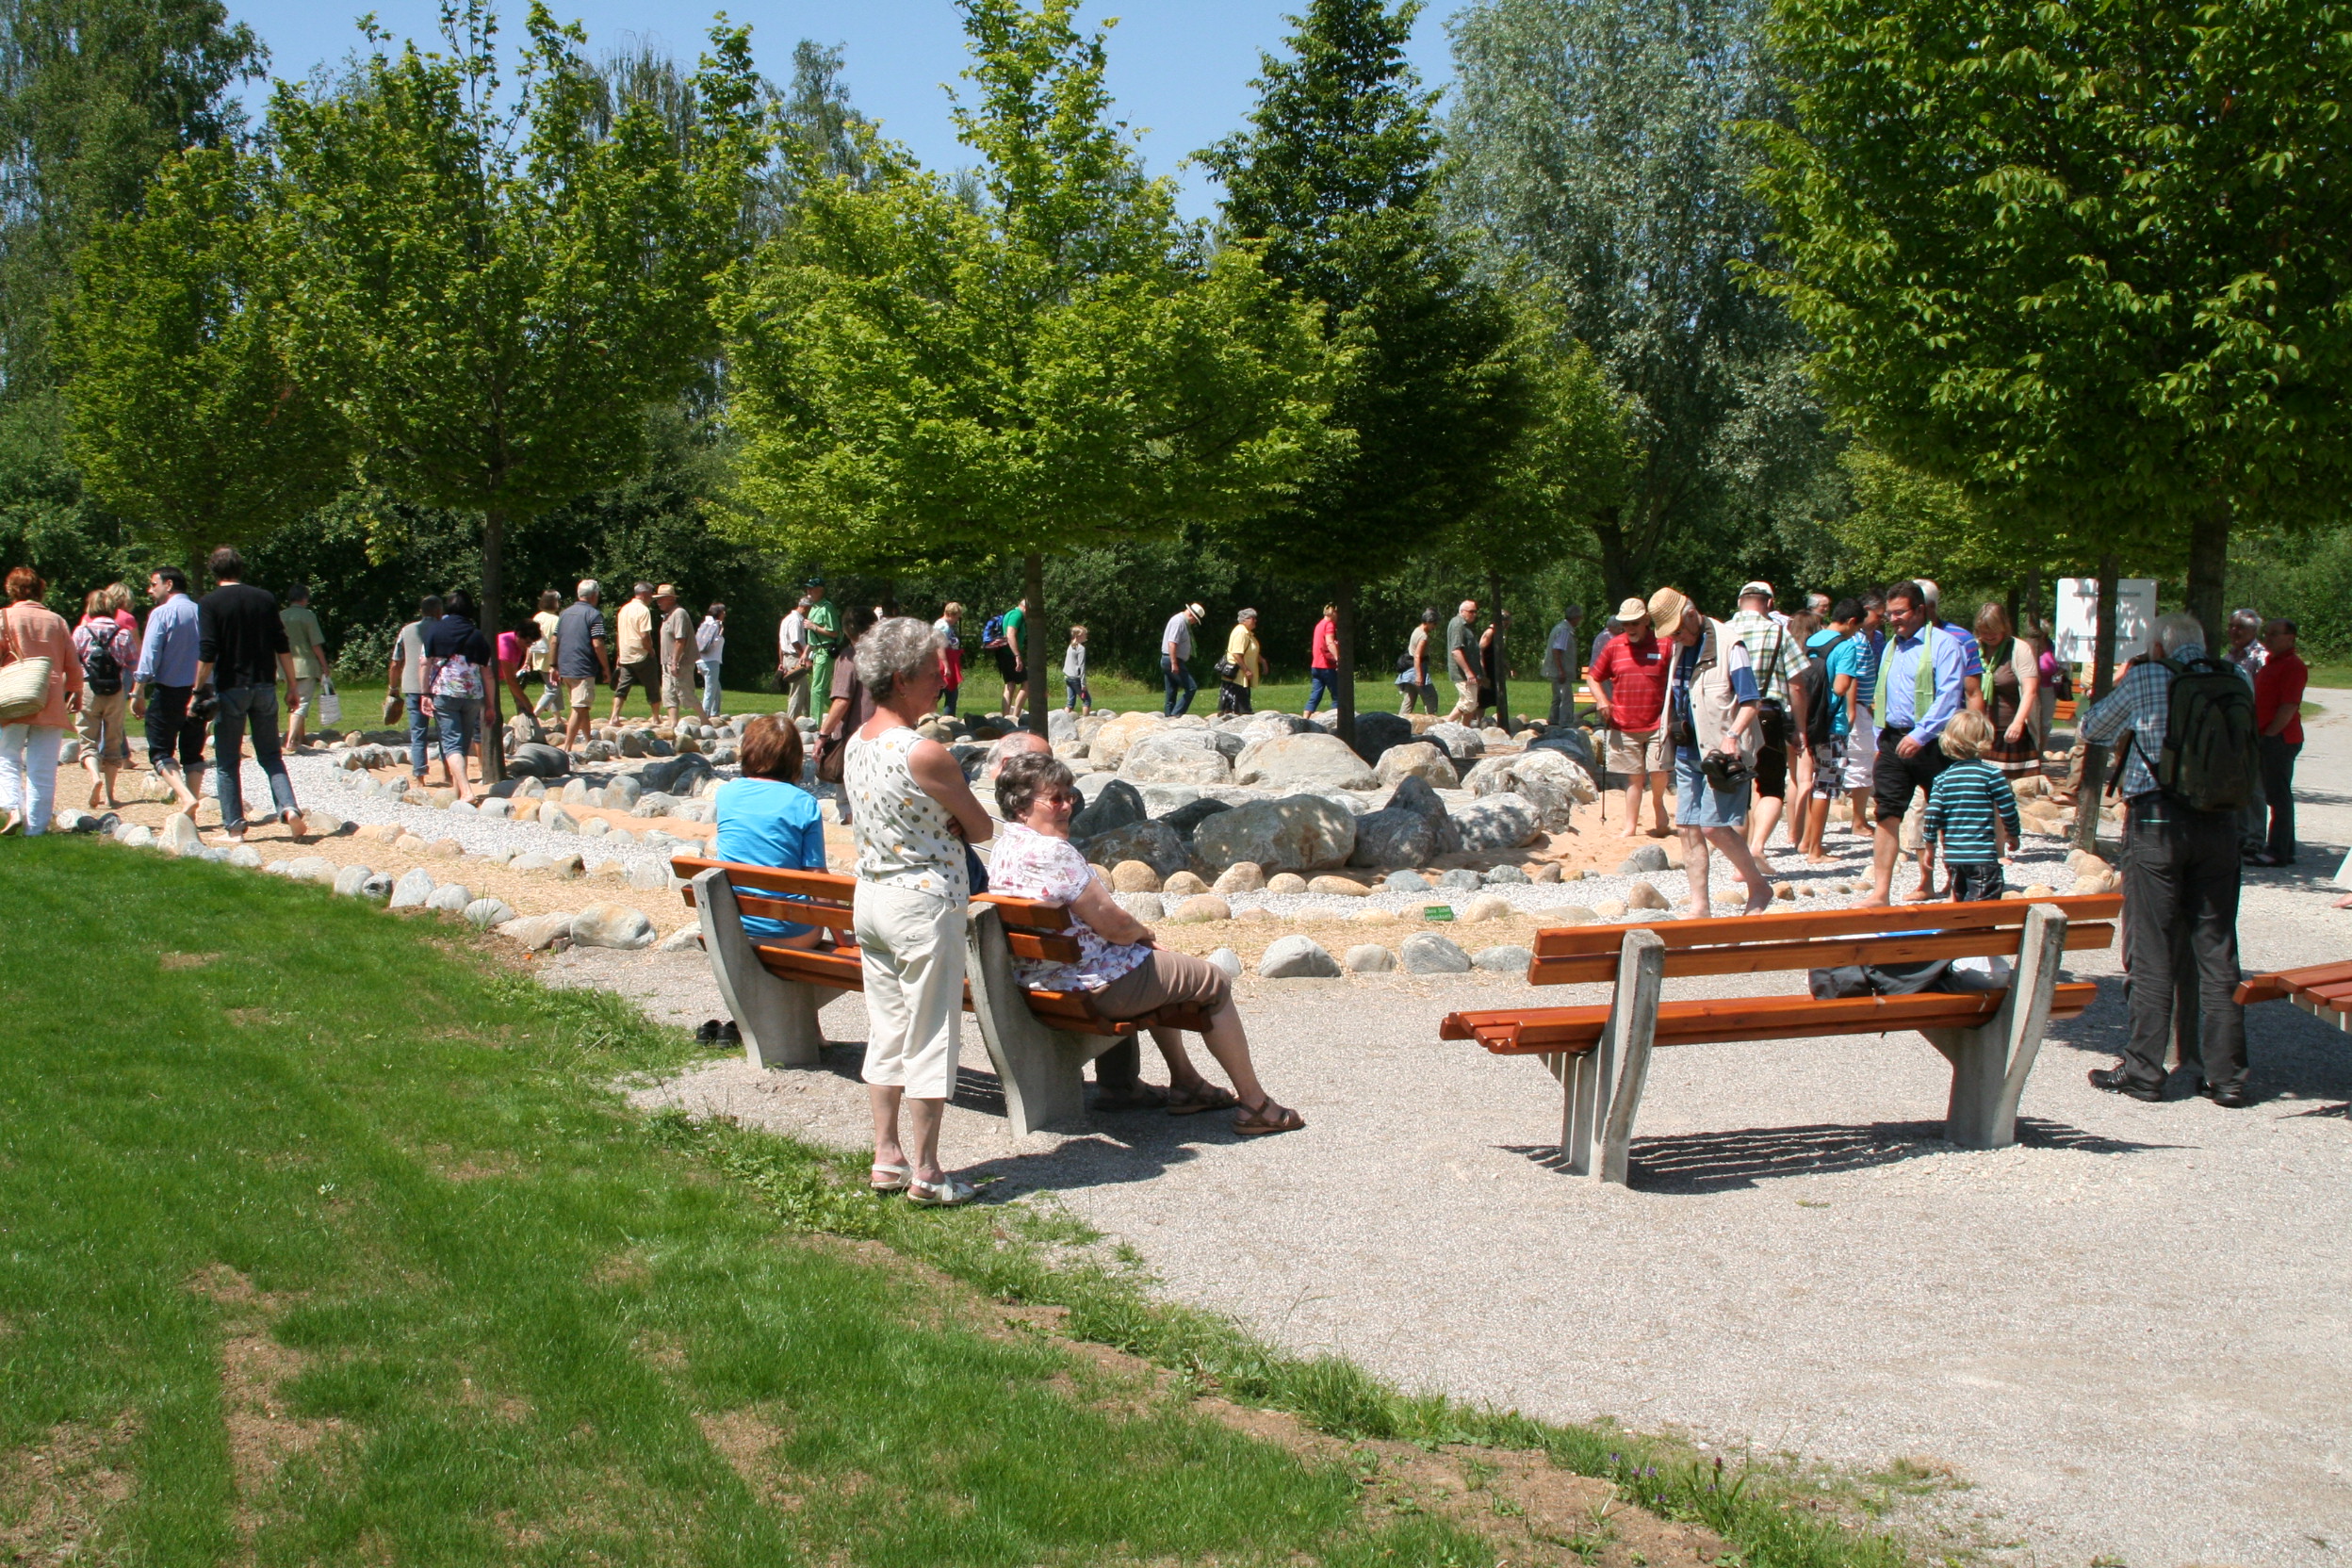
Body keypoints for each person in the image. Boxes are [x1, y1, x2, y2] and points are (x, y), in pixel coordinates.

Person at [988, 749, 1306, 1135]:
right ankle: (1256, 1106)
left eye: (1070, 795)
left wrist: (1134, 943)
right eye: (1055, 798)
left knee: (1149, 964)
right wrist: (1144, 933)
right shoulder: (1054, 851)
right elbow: (1114, 924)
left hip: (1043, 982)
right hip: (1089, 988)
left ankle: (1187, 1085)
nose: (1068, 805)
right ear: (1022, 806)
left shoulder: (1006, 846)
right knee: (1212, 981)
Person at [843, 615, 995, 1205]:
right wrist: (958, 822)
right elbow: (980, 828)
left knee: (886, 1029)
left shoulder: (858, 742)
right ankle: (928, 1172)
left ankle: (887, 1156)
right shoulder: (925, 753)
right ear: (903, 679)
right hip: (923, 903)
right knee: (931, 1032)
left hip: (872, 895)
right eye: (935, 673)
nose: (943, 681)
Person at [2080, 612, 2251, 1106]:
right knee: (2217, 948)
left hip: (2158, 822)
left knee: (2152, 945)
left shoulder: (2150, 675)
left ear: (2158, 647)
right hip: (2221, 822)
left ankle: (2144, 1070)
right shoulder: (2235, 677)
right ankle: (2227, 1077)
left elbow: (2092, 727)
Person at [1656, 587, 1773, 916]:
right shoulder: (1680, 645)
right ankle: (1700, 906)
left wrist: (1733, 735)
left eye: (1678, 630)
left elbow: (1751, 700)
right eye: (1670, 633)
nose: (1676, 638)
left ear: (1692, 615)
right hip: (1686, 750)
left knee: (1713, 826)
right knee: (1688, 828)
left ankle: (1758, 887)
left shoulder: (1729, 644)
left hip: (1722, 754)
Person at [1861, 580, 1968, 907]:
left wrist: (1919, 735)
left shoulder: (1946, 645)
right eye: (1889, 613)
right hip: (1894, 740)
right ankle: (1880, 893)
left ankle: (1955, 888)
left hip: (1934, 743)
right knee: (1886, 814)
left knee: (1948, 817)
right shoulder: (1892, 646)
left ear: (1920, 610)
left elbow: (1950, 696)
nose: (1893, 619)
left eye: (1900, 612)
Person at [192, 547, 304, 842]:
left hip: (231, 688)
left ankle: (234, 827)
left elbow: (207, 652)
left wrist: (197, 689)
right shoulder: (265, 598)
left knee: (228, 761)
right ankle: (289, 807)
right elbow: (282, 645)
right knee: (271, 755)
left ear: (213, 571)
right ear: (241, 568)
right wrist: (292, 686)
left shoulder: (209, 603)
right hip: (264, 685)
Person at [712, 714, 827, 948]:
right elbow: (816, 876)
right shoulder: (804, 803)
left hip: (734, 926)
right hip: (789, 931)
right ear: (793, 758)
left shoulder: (726, 795)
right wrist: (841, 936)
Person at [0, 567, 85, 836]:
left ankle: (12, 807)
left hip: (14, 697)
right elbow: (72, 662)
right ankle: (36, 828)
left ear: (12, 590)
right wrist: (76, 691)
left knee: (6, 757)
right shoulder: (56, 621)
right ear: (40, 589)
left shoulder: (4, 617)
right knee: (44, 767)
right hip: (50, 699)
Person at [1725, 581, 1805, 855]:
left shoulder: (1722, 632)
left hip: (1730, 718)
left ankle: (1740, 854)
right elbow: (1796, 684)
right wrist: (1800, 728)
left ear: (1739, 602)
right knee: (1771, 787)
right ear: (1770, 604)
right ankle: (1757, 845)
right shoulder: (1779, 633)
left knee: (1738, 786)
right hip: (1767, 714)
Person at [1588, 596, 1672, 839]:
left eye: (1635, 623)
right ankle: (1630, 826)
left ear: (1646, 620)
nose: (1630, 628)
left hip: (1658, 721)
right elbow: (1593, 677)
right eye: (1626, 624)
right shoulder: (1614, 645)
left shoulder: (1664, 644)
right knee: (1633, 777)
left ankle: (1657, 803)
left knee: (1658, 772)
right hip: (1624, 723)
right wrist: (1603, 700)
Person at [1919, 710, 2020, 904]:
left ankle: (1958, 931)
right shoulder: (1992, 775)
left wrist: (1930, 845)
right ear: (1986, 740)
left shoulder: (1942, 779)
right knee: (1983, 906)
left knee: (1960, 898)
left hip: (1953, 856)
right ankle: (1974, 932)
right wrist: (2012, 833)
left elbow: (1932, 814)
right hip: (1982, 855)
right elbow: (2007, 807)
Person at [1794, 599, 1864, 862]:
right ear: (1852, 622)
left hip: (1806, 720)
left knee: (1811, 782)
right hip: (1831, 724)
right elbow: (1840, 687)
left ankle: (1806, 841)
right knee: (1825, 784)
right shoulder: (1846, 646)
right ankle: (1815, 850)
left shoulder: (1810, 640)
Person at [131, 567, 203, 810]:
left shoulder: (161, 614)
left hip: (170, 691)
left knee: (160, 750)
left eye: (153, 584)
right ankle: (191, 813)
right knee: (193, 751)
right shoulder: (201, 612)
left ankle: (185, 796)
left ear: (168, 584)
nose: (150, 590)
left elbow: (149, 656)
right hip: (200, 691)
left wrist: (137, 691)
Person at [420, 588, 494, 807]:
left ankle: (467, 791)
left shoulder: (435, 630)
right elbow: (487, 673)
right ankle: (459, 790)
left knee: (451, 743)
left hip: (445, 692)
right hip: (472, 695)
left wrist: (424, 693)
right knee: (462, 742)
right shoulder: (476, 635)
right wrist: (490, 704)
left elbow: (424, 663)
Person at [72, 588, 138, 809]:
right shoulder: (123, 633)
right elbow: (131, 663)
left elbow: (72, 660)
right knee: (112, 742)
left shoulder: (82, 632)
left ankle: (94, 777)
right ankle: (110, 795)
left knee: (87, 739)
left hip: (89, 688)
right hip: (115, 691)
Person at [815, 605, 881, 819]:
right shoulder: (889, 656)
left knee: (849, 802)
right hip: (887, 732)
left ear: (846, 631)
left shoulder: (849, 658)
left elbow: (842, 701)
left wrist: (823, 734)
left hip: (856, 738)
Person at [2249, 618, 2307, 867]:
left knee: (2278, 796)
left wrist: (2270, 735)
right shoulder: (2271, 664)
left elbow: (2289, 705)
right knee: (2274, 794)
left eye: (2274, 634)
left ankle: (2277, 851)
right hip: (2269, 735)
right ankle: (2284, 848)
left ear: (2290, 637)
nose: (2268, 638)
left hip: (2281, 738)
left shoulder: (2293, 666)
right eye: (2267, 633)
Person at [1972, 603, 2042, 785]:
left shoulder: (2019, 648)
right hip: (1980, 730)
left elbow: (2030, 690)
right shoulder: (1974, 648)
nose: (1988, 636)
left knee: (2010, 791)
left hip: (2008, 731)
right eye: (1984, 631)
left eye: (1993, 630)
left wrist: (2018, 723)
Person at [1838, 592, 1886, 835]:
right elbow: (1851, 676)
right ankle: (1858, 821)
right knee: (1860, 763)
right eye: (1878, 615)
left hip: (1861, 706)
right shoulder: (1855, 640)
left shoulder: (1862, 638)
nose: (1881, 620)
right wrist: (1853, 709)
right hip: (1856, 708)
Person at [388, 596, 447, 786]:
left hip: (413, 685)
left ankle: (420, 775)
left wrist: (393, 687)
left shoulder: (407, 630)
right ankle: (449, 773)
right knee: (445, 732)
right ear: (439, 611)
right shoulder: (444, 629)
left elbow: (396, 662)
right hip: (440, 685)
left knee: (418, 732)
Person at [553, 580, 610, 754]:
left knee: (582, 705)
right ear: (594, 595)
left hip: (565, 666)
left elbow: (555, 639)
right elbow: (598, 643)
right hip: (583, 667)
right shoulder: (594, 615)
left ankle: (588, 741)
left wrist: (553, 664)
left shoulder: (564, 614)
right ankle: (567, 748)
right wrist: (606, 668)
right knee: (578, 707)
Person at [279, 583, 330, 750]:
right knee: (302, 703)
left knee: (294, 701)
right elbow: (315, 643)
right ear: (304, 598)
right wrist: (324, 665)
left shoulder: (281, 616)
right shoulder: (308, 616)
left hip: (285, 666)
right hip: (305, 665)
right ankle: (291, 740)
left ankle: (301, 736)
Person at [609, 581, 659, 724]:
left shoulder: (624, 609)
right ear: (644, 594)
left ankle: (614, 716)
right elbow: (644, 635)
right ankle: (655, 717)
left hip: (625, 653)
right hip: (641, 654)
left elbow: (620, 633)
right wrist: (651, 650)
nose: (652, 597)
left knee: (622, 686)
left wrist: (619, 653)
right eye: (650, 594)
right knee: (652, 686)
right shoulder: (643, 611)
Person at [655, 584, 694, 726]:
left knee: (686, 693)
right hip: (666, 662)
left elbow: (680, 640)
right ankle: (673, 723)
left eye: (661, 599)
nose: (658, 601)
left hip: (679, 662)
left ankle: (704, 721)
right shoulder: (667, 616)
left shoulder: (679, 613)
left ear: (671, 599)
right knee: (668, 693)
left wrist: (674, 662)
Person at [1543, 604, 1583, 727]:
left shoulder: (1560, 627)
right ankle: (1565, 723)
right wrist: (1561, 670)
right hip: (1560, 671)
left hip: (1555, 670)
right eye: (1579, 617)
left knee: (1557, 698)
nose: (1580, 620)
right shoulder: (1565, 631)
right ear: (1575, 617)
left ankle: (1554, 720)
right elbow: (1557, 650)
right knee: (1565, 699)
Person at [1161, 601, 1203, 717]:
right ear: (1191, 615)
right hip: (1172, 660)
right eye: (1195, 620)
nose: (1194, 623)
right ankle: (1176, 715)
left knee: (1171, 692)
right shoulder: (1178, 622)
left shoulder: (1181, 621)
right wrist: (1174, 664)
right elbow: (1172, 643)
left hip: (1169, 659)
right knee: (1191, 687)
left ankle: (1168, 717)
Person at [991, 596, 1030, 720]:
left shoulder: (1011, 613)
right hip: (1010, 654)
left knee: (1011, 684)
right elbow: (1010, 634)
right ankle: (1015, 717)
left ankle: (1006, 717)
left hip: (1005, 653)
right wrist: (1017, 656)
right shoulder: (1017, 615)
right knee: (1027, 684)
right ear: (1025, 608)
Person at [1444, 600, 1481, 723]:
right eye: (1471, 612)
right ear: (1462, 611)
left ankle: (1465, 730)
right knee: (1469, 702)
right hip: (1462, 673)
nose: (1474, 614)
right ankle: (1445, 725)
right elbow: (1456, 651)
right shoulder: (1457, 625)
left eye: (1475, 612)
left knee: (1471, 703)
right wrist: (1468, 672)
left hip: (1471, 672)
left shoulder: (1464, 625)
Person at [1220, 608, 1264, 715]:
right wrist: (1246, 670)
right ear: (1245, 619)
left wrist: (1262, 661)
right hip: (1237, 675)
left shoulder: (1247, 632)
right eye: (1253, 618)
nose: (1255, 621)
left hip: (1242, 675)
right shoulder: (1240, 632)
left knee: (1243, 706)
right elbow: (1236, 653)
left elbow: (1250, 650)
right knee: (1240, 709)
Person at [1396, 609, 1439, 714]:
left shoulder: (1417, 630)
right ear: (1428, 622)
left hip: (1408, 669)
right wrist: (1419, 676)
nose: (1435, 626)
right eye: (1434, 623)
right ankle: (1431, 720)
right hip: (1416, 669)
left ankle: (1400, 721)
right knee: (1431, 696)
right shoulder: (1423, 636)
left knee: (1410, 698)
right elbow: (1417, 656)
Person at [529, 589, 564, 718]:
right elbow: (557, 641)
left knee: (554, 687)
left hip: (538, 658)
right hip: (551, 659)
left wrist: (527, 661)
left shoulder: (537, 617)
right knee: (553, 689)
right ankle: (534, 714)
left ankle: (558, 718)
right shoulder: (556, 620)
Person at [497, 619, 535, 725]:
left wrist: (519, 698)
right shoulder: (506, 644)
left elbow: (512, 677)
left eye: (531, 643)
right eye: (527, 642)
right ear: (518, 635)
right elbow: (510, 680)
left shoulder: (518, 646)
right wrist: (527, 702)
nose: (529, 646)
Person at [1304, 604, 1339, 715]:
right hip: (1327, 666)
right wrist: (1338, 658)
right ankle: (1336, 718)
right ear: (1333, 613)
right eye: (1337, 613)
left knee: (1315, 694)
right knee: (1338, 695)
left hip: (1316, 665)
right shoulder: (1329, 625)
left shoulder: (1319, 625)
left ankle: (1305, 717)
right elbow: (1329, 642)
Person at [1478, 611, 1511, 726]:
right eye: (1506, 622)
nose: (1508, 625)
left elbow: (1498, 653)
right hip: (1487, 669)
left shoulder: (1498, 632)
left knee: (1496, 696)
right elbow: (1480, 651)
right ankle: (1476, 722)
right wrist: (1482, 672)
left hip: (1495, 669)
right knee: (1482, 698)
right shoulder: (1490, 632)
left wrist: (1507, 667)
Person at [695, 602, 727, 719]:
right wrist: (721, 633)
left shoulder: (704, 624)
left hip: (700, 661)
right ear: (718, 613)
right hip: (711, 662)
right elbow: (716, 643)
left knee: (716, 688)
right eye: (723, 611)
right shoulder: (716, 626)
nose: (724, 614)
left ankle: (715, 713)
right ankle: (705, 716)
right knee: (710, 691)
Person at [932, 602, 963, 716]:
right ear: (951, 614)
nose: (957, 620)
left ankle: (927, 715)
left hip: (948, 660)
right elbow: (940, 646)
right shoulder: (943, 626)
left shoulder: (944, 625)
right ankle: (949, 720)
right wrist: (946, 666)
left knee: (942, 692)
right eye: (957, 617)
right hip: (943, 661)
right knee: (949, 692)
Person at [1063, 625, 1091, 713]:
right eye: (1084, 635)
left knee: (1070, 702)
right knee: (1087, 700)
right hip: (1075, 678)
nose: (1086, 636)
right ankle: (1085, 721)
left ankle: (1064, 719)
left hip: (1067, 677)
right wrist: (1083, 684)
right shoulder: (1081, 648)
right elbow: (1081, 666)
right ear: (1078, 636)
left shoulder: (1071, 646)